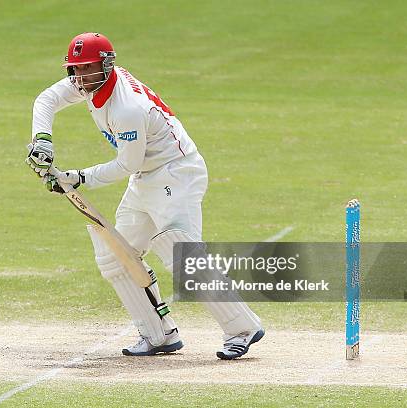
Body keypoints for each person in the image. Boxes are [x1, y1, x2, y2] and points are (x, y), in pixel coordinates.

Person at [26, 32, 264, 359]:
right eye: (75, 69)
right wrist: (42, 141)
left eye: (88, 68)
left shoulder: (127, 108)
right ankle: (159, 334)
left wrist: (78, 178)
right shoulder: (91, 83)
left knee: (179, 252)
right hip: (146, 178)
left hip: (175, 173)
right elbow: (46, 99)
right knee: (115, 255)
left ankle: (242, 328)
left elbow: (127, 163)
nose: (80, 77)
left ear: (106, 65)